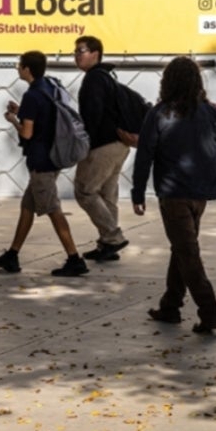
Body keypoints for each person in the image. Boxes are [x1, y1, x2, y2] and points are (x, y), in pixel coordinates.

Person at [131, 56, 216, 334]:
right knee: (182, 247)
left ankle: (210, 312)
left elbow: (145, 155)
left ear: (167, 82)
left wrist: (138, 192)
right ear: (197, 82)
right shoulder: (209, 111)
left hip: (173, 194)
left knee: (187, 252)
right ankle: (170, 306)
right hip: (201, 192)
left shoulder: (159, 113)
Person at [0, 51, 88, 277]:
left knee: (53, 210)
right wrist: (21, 112)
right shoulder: (50, 87)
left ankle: (75, 258)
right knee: (27, 206)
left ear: (27, 69)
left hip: (41, 161)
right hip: (52, 157)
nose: (17, 68)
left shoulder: (32, 95)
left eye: (20, 65)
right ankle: (12, 255)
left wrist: (13, 120)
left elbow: (27, 133)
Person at [69, 35, 132, 262]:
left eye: (81, 51)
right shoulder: (107, 77)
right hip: (119, 145)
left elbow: (92, 117)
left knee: (84, 190)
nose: (76, 56)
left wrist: (84, 145)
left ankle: (112, 237)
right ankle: (107, 245)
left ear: (95, 54)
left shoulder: (94, 79)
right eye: (75, 52)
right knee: (107, 194)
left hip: (102, 145)